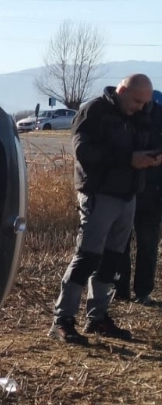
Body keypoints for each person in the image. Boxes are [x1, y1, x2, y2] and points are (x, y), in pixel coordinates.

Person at [49, 74, 162, 344]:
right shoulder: (93, 111)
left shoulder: (138, 114)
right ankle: (62, 320)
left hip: (128, 195)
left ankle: (97, 317)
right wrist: (129, 160)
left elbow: (139, 146)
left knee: (111, 260)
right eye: (136, 101)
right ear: (122, 89)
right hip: (99, 194)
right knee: (87, 256)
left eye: (145, 103)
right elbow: (84, 152)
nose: (140, 107)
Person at [115, 90, 162, 306]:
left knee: (147, 243)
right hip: (126, 188)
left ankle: (140, 292)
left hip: (151, 190)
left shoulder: (154, 115)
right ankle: (122, 290)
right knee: (121, 244)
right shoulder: (121, 114)